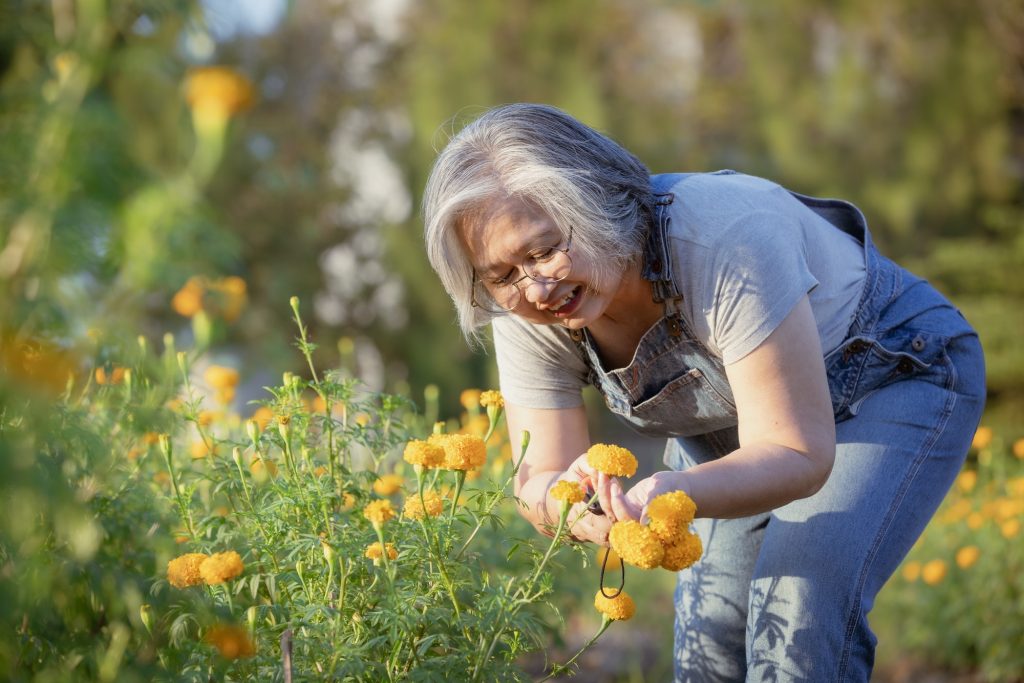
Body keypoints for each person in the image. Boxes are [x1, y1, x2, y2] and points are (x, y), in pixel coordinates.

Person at [421, 103, 986, 682]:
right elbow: (535, 478)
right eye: (502, 274)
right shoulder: (526, 312)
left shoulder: (721, 240)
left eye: (543, 250)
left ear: (595, 205)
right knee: (708, 645)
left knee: (796, 609)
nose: (535, 287)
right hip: (734, 430)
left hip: (889, 372)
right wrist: (573, 503)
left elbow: (795, 450)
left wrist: (674, 488)